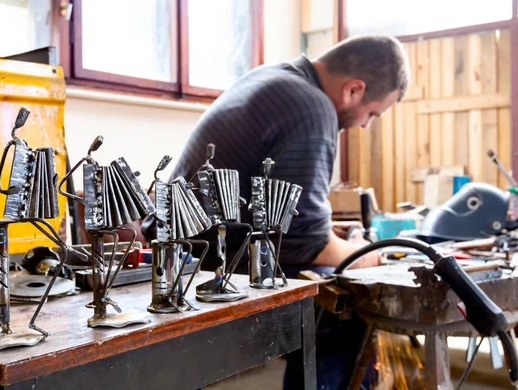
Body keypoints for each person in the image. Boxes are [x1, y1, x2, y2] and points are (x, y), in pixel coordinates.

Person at [143, 34, 410, 389]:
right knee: (348, 304)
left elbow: (292, 221)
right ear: (353, 90)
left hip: (186, 250)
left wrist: (337, 238)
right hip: (209, 264)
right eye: (372, 113)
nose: (365, 124)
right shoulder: (312, 108)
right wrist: (366, 256)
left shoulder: (275, 77)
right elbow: (307, 245)